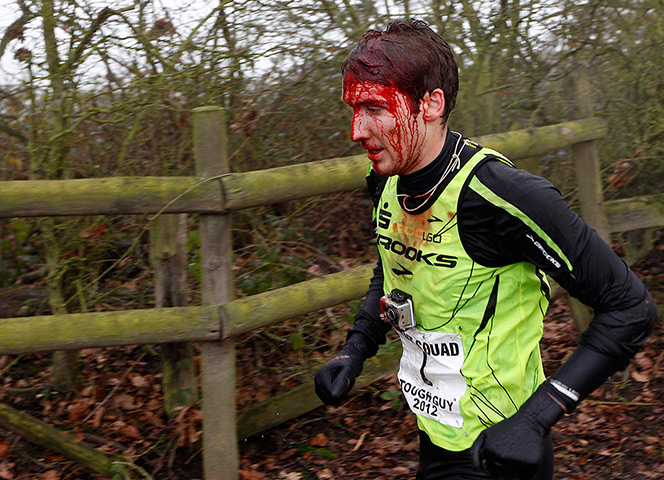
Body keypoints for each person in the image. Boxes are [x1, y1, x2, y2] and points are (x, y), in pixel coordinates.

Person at [313, 18, 658, 480]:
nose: (356, 130)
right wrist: (354, 350)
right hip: (436, 429)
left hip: (501, 448)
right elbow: (394, 269)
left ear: (430, 104)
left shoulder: (504, 195)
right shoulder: (385, 181)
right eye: (353, 110)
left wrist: (539, 417)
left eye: (374, 108)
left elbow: (630, 307)